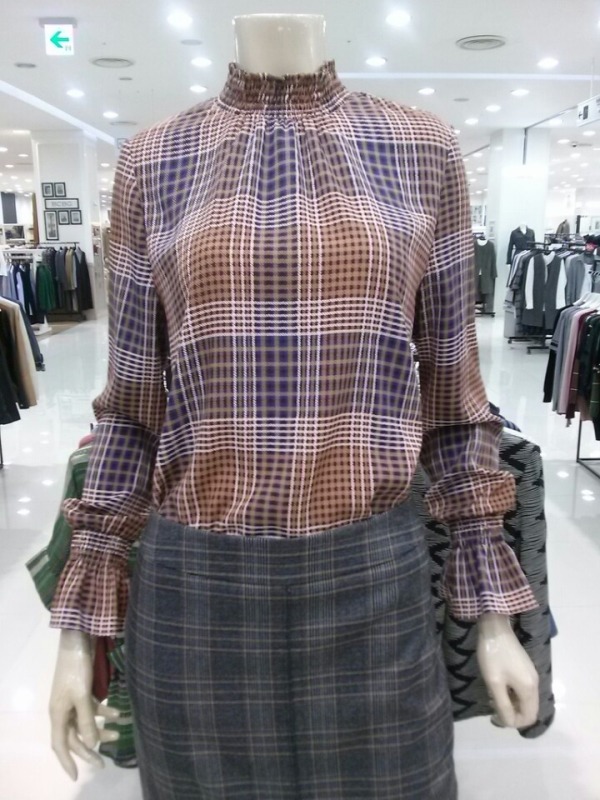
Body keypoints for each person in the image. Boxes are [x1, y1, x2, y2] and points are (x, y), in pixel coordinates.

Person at [48, 13, 539, 799]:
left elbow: (454, 405)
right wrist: (78, 639)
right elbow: (132, 413)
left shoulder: (424, 149)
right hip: (197, 591)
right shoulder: (153, 158)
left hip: (372, 582)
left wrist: (493, 619)